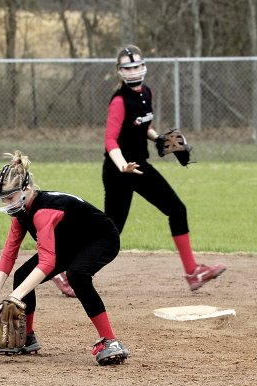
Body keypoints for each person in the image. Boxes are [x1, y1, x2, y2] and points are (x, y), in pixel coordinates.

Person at [0, 150, 129, 365]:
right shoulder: (21, 213)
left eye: (11, 197)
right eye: (4, 199)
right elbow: (9, 253)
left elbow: (47, 262)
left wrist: (14, 297)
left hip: (101, 238)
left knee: (77, 274)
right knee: (22, 275)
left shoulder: (44, 211)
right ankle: (27, 338)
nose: (7, 204)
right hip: (70, 242)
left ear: (26, 190)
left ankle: (110, 341)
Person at [102, 45, 226, 290]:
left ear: (144, 66)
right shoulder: (119, 101)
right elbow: (110, 140)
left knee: (176, 209)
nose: (133, 71)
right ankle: (65, 271)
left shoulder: (146, 93)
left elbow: (142, 126)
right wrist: (123, 165)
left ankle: (193, 272)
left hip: (140, 167)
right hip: (120, 172)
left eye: (137, 66)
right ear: (120, 71)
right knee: (110, 233)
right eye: (128, 67)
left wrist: (158, 138)